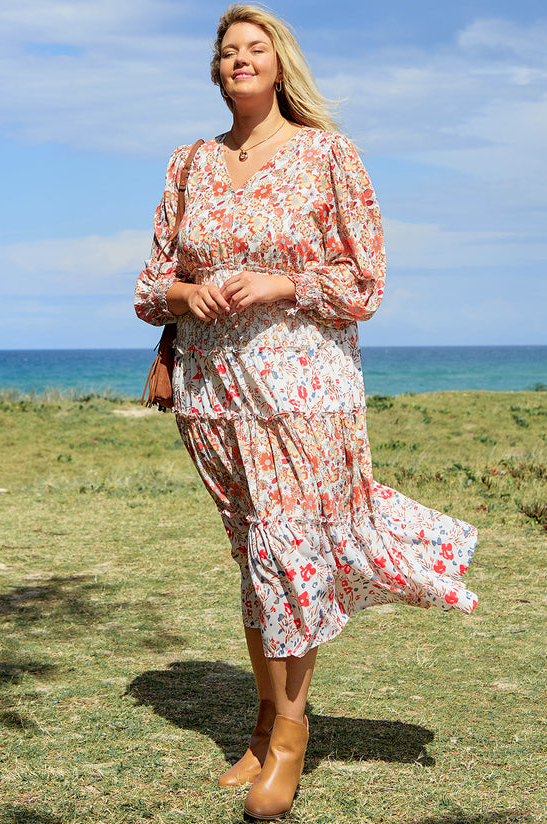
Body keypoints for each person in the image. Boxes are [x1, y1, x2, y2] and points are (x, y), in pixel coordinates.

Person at [135, 4, 478, 820]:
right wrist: (189, 293)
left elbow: (366, 283)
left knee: (290, 553)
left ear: (280, 64)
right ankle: (261, 726)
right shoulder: (189, 161)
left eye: (255, 48)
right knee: (256, 556)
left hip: (304, 390)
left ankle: (290, 738)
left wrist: (282, 282)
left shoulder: (328, 154)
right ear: (215, 71)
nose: (240, 60)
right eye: (227, 52)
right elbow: (153, 285)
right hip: (213, 396)